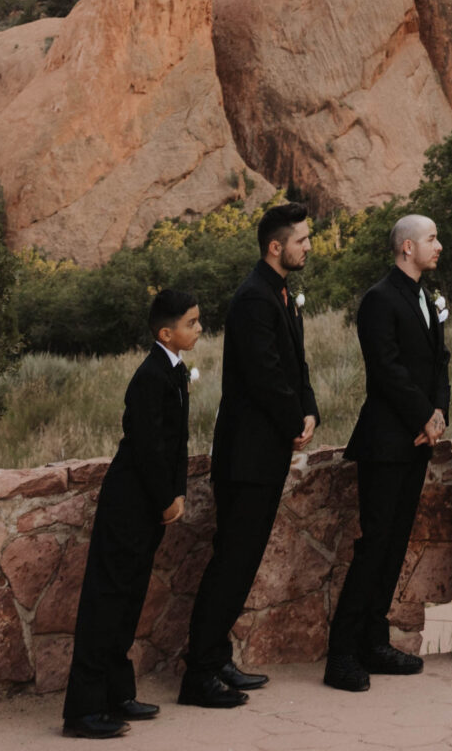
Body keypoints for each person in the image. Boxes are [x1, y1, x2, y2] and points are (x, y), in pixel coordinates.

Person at [180, 201, 317, 708]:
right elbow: (263, 376)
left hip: (267, 452)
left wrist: (310, 411)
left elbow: (295, 365)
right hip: (246, 456)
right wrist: (291, 420)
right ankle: (198, 676)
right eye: (301, 240)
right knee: (231, 564)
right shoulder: (253, 299)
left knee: (241, 563)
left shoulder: (282, 294)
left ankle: (216, 660)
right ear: (275, 246)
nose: (308, 247)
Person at [61, 288, 200, 740]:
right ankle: (82, 712)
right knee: (105, 603)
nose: (199, 329)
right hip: (129, 504)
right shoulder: (149, 376)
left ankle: (117, 694)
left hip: (148, 503)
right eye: (192, 323)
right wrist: (166, 498)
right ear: (167, 332)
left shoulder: (173, 370)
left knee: (129, 601)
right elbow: (145, 447)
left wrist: (175, 491)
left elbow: (175, 443)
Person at [323, 214, 451, 693]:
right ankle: (341, 656)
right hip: (385, 441)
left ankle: (375, 643)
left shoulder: (425, 297)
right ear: (406, 247)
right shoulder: (378, 299)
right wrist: (423, 416)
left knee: (395, 545)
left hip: (419, 438)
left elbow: (441, 362)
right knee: (374, 545)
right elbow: (386, 368)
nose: (439, 246)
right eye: (432, 239)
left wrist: (439, 412)